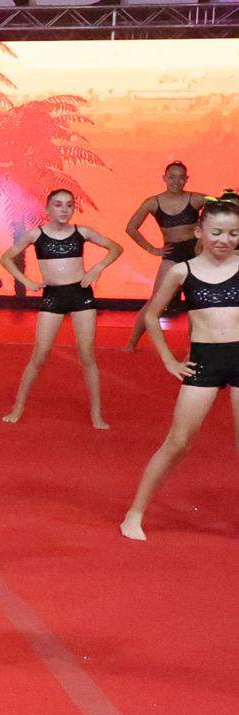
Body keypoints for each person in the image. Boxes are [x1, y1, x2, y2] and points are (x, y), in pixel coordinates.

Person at [119, 198, 239, 541]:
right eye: (217, 232)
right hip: (204, 361)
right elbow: (151, 315)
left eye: (233, 234)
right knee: (178, 442)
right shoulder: (182, 271)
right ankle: (134, 513)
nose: (224, 240)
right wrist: (168, 359)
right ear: (199, 231)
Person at [0, 188, 123, 429]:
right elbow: (6, 258)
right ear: (47, 209)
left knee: (87, 354)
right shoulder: (36, 234)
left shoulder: (82, 232)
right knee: (40, 353)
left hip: (81, 295)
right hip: (53, 297)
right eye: (58, 204)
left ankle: (96, 412)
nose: (64, 209)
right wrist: (26, 281)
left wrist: (96, 269)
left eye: (69, 205)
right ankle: (18, 406)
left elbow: (116, 248)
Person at [124, 162, 207, 349]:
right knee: (155, 301)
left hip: (196, 253)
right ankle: (131, 343)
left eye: (181, 177)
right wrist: (152, 249)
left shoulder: (197, 199)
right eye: (172, 177)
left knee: (197, 303)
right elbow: (131, 228)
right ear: (164, 178)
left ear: (187, 179)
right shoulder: (153, 202)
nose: (176, 181)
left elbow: (224, 205)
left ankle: (194, 349)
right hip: (173, 253)